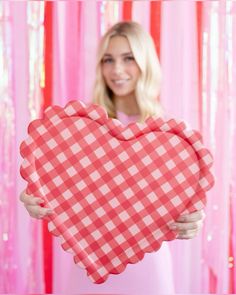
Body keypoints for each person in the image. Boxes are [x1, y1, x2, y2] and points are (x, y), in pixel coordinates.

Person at [20, 21, 205, 294]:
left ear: (145, 62)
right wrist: (33, 197)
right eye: (108, 60)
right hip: (89, 262)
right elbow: (57, 188)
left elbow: (187, 202)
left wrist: (193, 220)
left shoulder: (172, 137)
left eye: (128, 58)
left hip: (148, 267)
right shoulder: (80, 129)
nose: (117, 70)